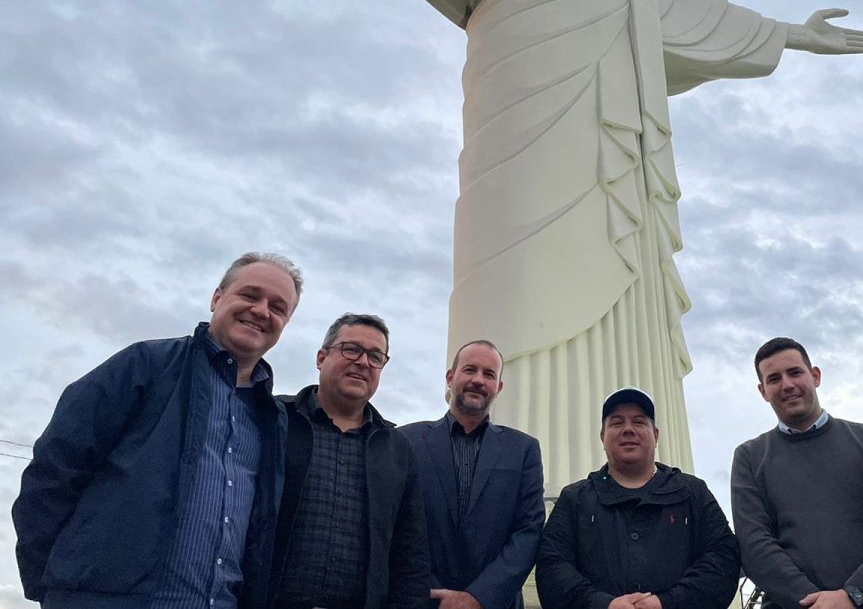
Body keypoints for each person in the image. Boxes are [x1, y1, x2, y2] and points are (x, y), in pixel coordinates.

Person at [225, 0, 863, 491]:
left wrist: (791, 35)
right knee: (515, 315)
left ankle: (647, 506)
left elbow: (707, 16)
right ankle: (510, 507)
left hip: (616, 177)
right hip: (523, 163)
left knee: (632, 329)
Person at [12, 252, 302, 608]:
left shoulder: (273, 419)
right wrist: (58, 584)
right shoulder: (144, 366)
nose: (261, 311)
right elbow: (54, 470)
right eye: (250, 295)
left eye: (278, 307)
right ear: (217, 298)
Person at [732, 338, 863, 609]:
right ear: (763, 391)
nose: (787, 385)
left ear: (815, 376)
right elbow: (754, 545)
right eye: (774, 379)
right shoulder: (749, 457)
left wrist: (853, 595)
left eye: (795, 372)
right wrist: (813, 604)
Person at [268, 313, 430, 608]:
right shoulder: (274, 419)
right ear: (321, 358)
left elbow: (410, 553)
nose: (363, 362)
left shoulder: (397, 449)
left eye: (375, 356)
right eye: (351, 349)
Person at [536, 387, 740, 609]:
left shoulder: (692, 492)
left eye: (639, 421)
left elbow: (723, 558)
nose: (628, 429)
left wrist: (666, 603)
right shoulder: (575, 499)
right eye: (616, 423)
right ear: (603, 437)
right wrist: (604, 605)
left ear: (656, 435)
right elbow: (552, 567)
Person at [398, 341, 543, 609]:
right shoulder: (406, 441)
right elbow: (393, 525)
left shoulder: (523, 450)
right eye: (470, 370)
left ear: (498, 387)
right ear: (451, 377)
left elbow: (528, 532)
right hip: (420, 600)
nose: (478, 380)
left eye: (489, 374)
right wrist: (429, 592)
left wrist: (478, 597)